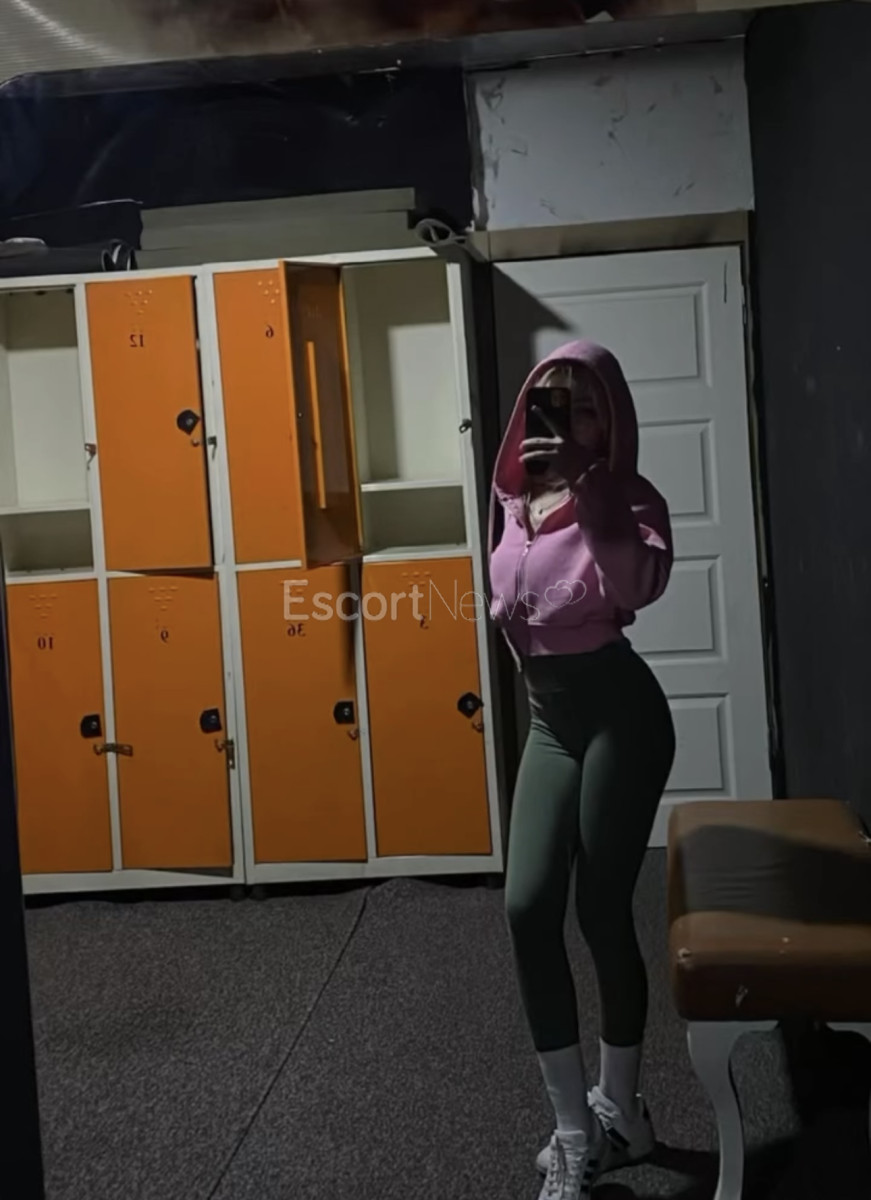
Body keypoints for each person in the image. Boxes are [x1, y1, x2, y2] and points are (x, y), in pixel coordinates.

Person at [487, 340, 676, 1199]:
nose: (566, 419)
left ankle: (621, 1111)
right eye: (552, 400)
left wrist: (591, 492)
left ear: (611, 422)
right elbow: (510, 605)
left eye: (586, 406)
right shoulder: (511, 500)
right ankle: (574, 1131)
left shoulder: (629, 499)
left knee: (600, 911)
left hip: (618, 719)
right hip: (548, 720)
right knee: (527, 906)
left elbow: (635, 586)